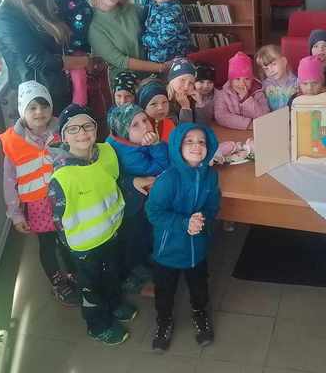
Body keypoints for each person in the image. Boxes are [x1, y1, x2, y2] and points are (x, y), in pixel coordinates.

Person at [47, 104, 135, 345]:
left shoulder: (106, 152)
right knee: (90, 287)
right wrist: (71, 253)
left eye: (87, 126)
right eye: (73, 129)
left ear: (96, 128)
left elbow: (115, 181)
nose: (82, 133)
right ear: (64, 137)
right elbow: (59, 220)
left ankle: (114, 304)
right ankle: (98, 325)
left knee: (112, 274)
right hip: (84, 246)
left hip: (112, 231)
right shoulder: (62, 176)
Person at [0, 81, 78, 306]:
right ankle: (57, 282)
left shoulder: (62, 130)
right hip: (38, 206)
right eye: (32, 107)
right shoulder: (14, 142)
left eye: (44, 106)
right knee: (48, 244)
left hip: (65, 198)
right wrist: (15, 214)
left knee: (68, 239)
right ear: (22, 110)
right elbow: (8, 181)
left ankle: (74, 273)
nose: (39, 112)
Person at [145, 123, 220, 352]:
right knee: (165, 290)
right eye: (189, 141)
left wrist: (201, 219)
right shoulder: (168, 179)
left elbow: (212, 206)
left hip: (197, 248)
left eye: (202, 142)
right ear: (178, 146)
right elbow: (154, 212)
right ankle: (164, 321)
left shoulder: (210, 176)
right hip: (168, 250)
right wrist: (184, 223)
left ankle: (200, 314)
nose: (196, 146)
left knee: (199, 286)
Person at [0, 0, 88, 113]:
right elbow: (39, 60)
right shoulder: (6, 16)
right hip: (37, 101)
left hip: (59, 89)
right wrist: (85, 62)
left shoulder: (41, 5)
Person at [106, 104, 170, 293]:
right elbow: (161, 167)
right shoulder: (128, 153)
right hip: (132, 206)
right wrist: (156, 145)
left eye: (144, 120)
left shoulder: (128, 142)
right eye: (135, 125)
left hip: (138, 200)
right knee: (135, 240)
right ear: (123, 131)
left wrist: (155, 144)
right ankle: (135, 277)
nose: (145, 126)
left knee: (143, 236)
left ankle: (144, 262)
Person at [87, 0, 166, 90]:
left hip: (153, 73)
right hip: (124, 84)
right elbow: (120, 61)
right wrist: (161, 67)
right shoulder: (94, 25)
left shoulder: (133, 10)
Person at [45, 0, 93, 106]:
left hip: (77, 51)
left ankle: (79, 109)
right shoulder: (49, 4)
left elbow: (89, 21)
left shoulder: (81, 3)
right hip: (56, 53)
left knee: (79, 80)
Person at [141, 0, 191, 64]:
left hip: (170, 57)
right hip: (156, 53)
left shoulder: (173, 11)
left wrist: (144, 39)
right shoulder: (153, 4)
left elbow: (165, 38)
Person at [214, 51, 269, 130]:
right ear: (231, 80)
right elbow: (221, 116)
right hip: (233, 132)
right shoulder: (223, 93)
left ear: (252, 80)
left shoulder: (258, 93)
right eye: (237, 79)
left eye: (247, 79)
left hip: (256, 132)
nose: (242, 83)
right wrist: (248, 124)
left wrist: (247, 100)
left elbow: (264, 116)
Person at [166, 58, 210, 124]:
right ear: (171, 81)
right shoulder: (164, 101)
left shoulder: (192, 98)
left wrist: (200, 104)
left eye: (191, 83)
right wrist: (185, 108)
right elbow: (182, 129)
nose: (186, 87)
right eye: (182, 80)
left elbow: (203, 125)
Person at [255, 44, 298, 110]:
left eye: (274, 64)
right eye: (266, 68)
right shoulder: (265, 86)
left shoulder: (297, 83)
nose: (271, 70)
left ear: (284, 61)